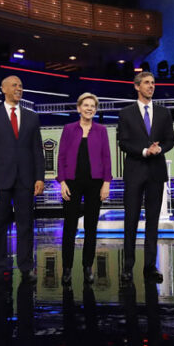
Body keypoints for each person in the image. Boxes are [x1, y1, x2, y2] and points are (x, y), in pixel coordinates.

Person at [0, 75, 45, 286]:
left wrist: (39, 177)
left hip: (25, 180)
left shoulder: (32, 117)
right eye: (15, 85)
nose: (19, 88)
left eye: (21, 86)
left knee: (25, 226)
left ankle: (26, 267)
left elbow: (37, 150)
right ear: (4, 89)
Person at [117, 71, 174, 284]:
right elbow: (123, 142)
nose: (151, 86)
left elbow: (170, 139)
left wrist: (159, 149)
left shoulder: (163, 113)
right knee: (130, 220)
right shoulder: (126, 113)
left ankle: (150, 266)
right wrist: (144, 151)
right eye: (147, 83)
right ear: (137, 86)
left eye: (153, 83)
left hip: (156, 172)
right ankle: (128, 267)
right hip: (134, 171)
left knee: (152, 221)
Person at [56, 92, 112, 288]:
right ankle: (67, 268)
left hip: (95, 183)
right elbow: (61, 157)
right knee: (69, 227)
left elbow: (106, 157)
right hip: (72, 182)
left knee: (91, 227)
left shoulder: (101, 130)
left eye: (93, 106)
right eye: (86, 105)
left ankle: (88, 266)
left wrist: (107, 182)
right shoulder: (69, 129)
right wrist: (62, 182)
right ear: (79, 108)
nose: (89, 108)